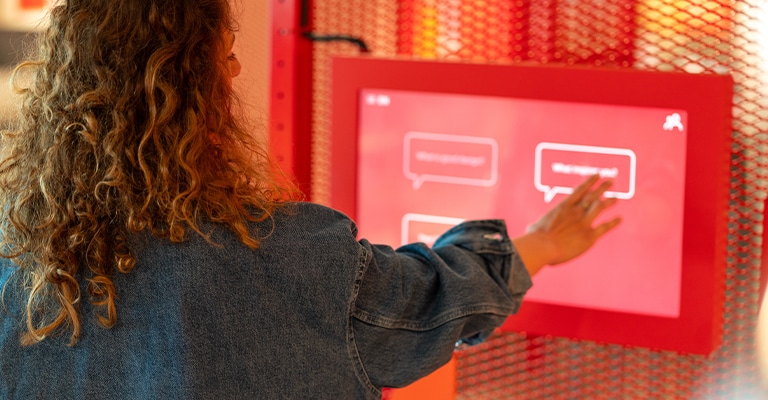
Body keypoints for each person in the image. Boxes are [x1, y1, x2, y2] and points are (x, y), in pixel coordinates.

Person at [0, 0, 621, 398]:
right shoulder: (289, 256)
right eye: (225, 60)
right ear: (192, 93)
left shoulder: (13, 254)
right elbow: (432, 304)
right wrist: (542, 244)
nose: (235, 75)